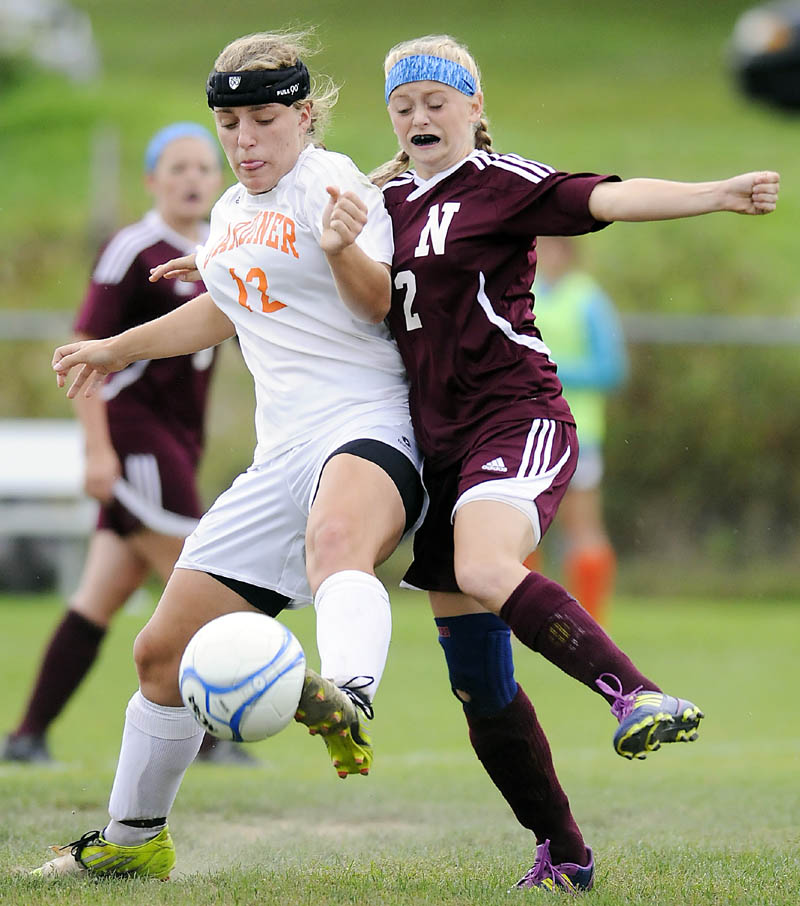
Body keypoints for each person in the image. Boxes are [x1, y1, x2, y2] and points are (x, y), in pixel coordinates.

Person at [372, 34, 779, 893]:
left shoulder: (505, 183)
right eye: (403, 105)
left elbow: (613, 198)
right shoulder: (384, 204)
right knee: (480, 690)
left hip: (515, 418)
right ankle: (563, 848)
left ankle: (635, 694)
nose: (418, 116)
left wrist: (717, 193)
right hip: (437, 449)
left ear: (474, 106)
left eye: (436, 101)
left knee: (487, 563)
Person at [31, 31, 424, 880]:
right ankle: (134, 842)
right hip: (280, 456)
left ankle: (347, 695)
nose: (244, 140)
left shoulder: (335, 183)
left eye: (263, 119)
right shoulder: (231, 212)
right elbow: (223, 307)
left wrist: (339, 243)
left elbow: (372, 305)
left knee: (336, 550)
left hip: (367, 426)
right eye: (229, 122)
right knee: (159, 655)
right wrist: (115, 347)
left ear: (304, 116)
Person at [0, 121, 252, 766]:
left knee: (99, 596)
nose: (194, 178)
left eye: (203, 167)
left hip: (177, 445)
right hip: (137, 443)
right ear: (151, 181)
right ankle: (214, 737)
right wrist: (97, 451)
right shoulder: (132, 249)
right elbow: (82, 355)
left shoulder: (222, 252)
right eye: (178, 168)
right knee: (203, 584)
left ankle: (26, 737)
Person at [522, 235, 628, 626]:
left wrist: (549, 368)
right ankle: (524, 618)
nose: (543, 256)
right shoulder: (525, 292)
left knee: (582, 526)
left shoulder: (588, 300)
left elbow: (611, 368)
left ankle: (591, 621)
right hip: (529, 429)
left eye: (551, 247)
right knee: (522, 525)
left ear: (568, 251)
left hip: (578, 430)